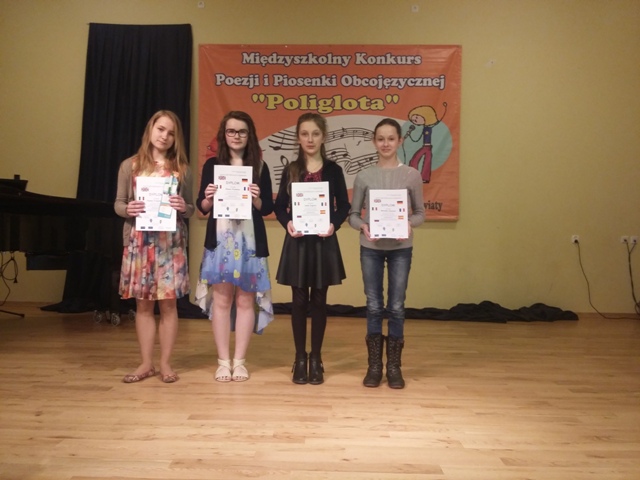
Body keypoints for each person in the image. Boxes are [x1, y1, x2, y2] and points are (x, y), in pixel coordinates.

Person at [115, 110, 194, 384]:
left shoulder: (182, 169)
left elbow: (191, 208)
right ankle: (146, 363)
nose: (165, 136)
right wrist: (128, 209)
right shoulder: (130, 166)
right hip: (140, 243)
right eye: (161, 129)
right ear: (150, 129)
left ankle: (165, 363)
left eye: (171, 133)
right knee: (144, 305)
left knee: (169, 305)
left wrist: (183, 207)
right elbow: (118, 203)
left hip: (170, 244)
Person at [195, 111, 274, 382]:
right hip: (220, 240)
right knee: (221, 299)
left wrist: (256, 198)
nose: (236, 136)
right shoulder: (212, 166)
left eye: (242, 131)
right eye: (231, 131)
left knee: (245, 300)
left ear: (249, 135)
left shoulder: (260, 166)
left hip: (250, 242)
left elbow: (267, 208)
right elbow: (202, 207)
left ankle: (239, 362)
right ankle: (222, 361)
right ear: (223, 134)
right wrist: (208, 197)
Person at [348, 118, 425, 389]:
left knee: (397, 306)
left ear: (400, 141)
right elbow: (353, 215)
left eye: (391, 138)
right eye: (380, 139)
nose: (385, 144)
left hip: (400, 249)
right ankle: (374, 366)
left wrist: (408, 224)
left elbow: (420, 213)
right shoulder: (364, 176)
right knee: (373, 306)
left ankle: (393, 367)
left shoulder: (412, 175)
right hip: (370, 248)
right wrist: (363, 226)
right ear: (374, 142)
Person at [274, 112, 350, 385]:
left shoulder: (333, 170)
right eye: (305, 134)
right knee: (298, 301)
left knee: (319, 300)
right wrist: (287, 222)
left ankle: (316, 358)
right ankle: (299, 358)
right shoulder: (291, 170)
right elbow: (279, 207)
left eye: (315, 134)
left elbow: (344, 206)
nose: (310, 139)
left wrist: (333, 225)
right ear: (298, 137)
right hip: (297, 242)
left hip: (322, 242)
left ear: (323, 137)